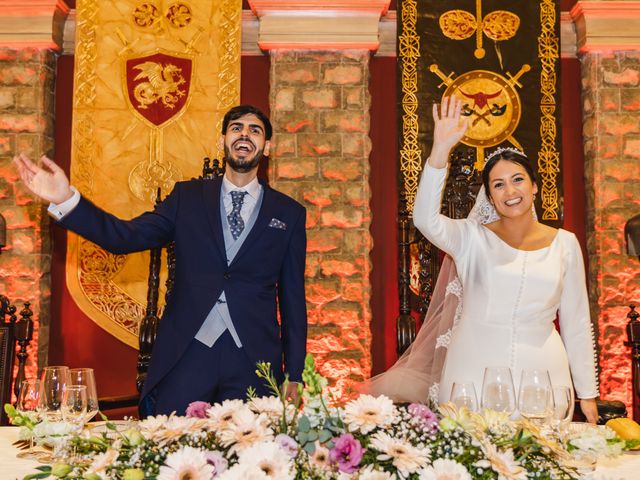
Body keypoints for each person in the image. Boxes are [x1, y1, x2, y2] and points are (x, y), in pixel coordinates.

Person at [14, 104, 308, 417]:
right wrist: (66, 200)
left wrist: (295, 373)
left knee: (253, 457)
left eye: (255, 130)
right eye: (236, 128)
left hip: (254, 358)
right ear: (223, 139)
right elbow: (124, 237)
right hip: (188, 352)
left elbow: (292, 300)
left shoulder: (288, 213)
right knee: (168, 448)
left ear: (267, 146)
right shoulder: (187, 198)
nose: (244, 135)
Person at [368, 97, 599, 423]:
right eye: (498, 184)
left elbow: (576, 323)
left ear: (534, 186)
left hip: (545, 374)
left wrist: (587, 393)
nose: (510, 190)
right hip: (471, 372)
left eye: (518, 179)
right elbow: (424, 219)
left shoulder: (565, 244)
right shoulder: (470, 238)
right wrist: (440, 150)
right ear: (489, 196)